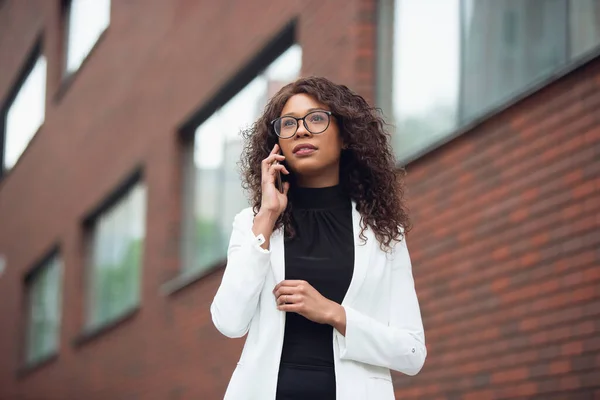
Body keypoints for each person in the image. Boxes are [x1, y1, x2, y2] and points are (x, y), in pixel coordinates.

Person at [210, 76, 426, 400]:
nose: (301, 130)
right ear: (277, 145)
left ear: (345, 137)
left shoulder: (383, 232)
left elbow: (411, 352)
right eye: (289, 123)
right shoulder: (253, 224)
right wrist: (267, 215)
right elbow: (228, 321)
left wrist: (334, 313)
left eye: (316, 119)